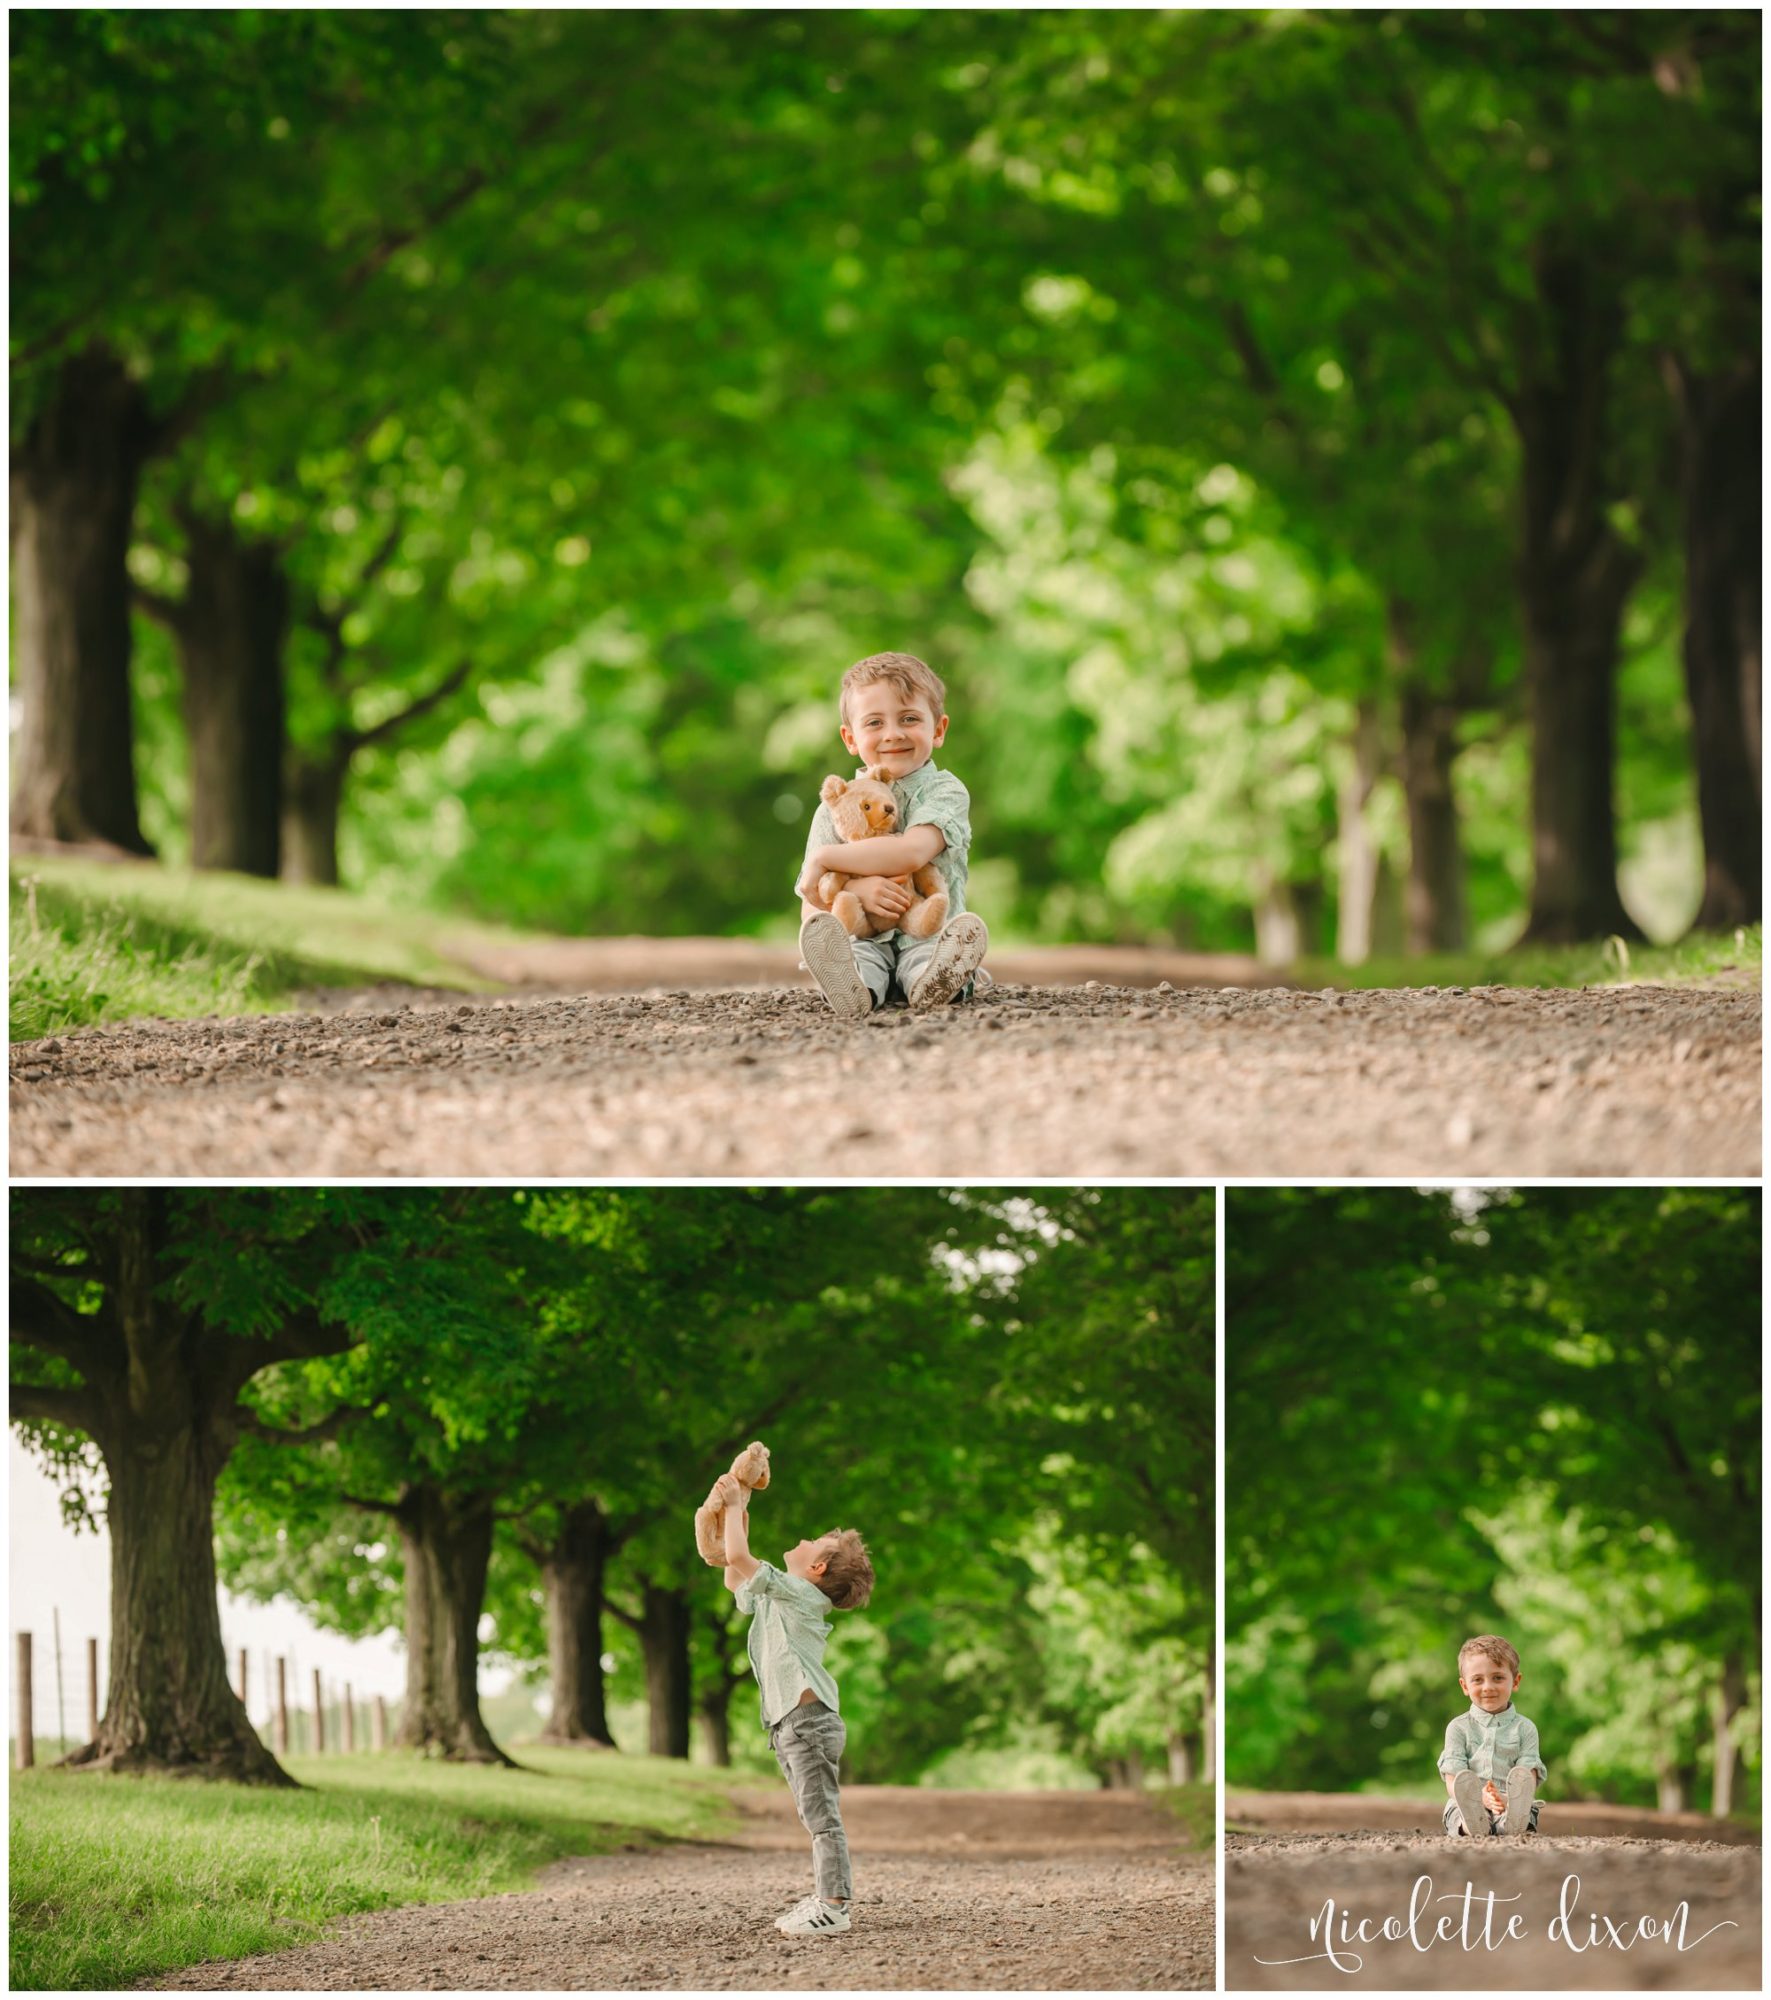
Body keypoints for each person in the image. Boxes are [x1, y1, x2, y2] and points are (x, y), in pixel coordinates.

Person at [713, 1469, 875, 1936]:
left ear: (818, 1569)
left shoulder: (800, 1595)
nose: (803, 1539)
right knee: (812, 1814)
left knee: (822, 1817)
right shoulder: (780, 1593)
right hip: (790, 1723)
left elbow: (741, 1554)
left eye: (814, 1542)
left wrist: (737, 1505)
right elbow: (732, 1574)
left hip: (808, 1722)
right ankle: (826, 1895)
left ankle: (834, 1907)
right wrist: (736, 1504)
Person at [795, 650, 988, 1019]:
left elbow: (912, 853)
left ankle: (934, 982)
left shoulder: (945, 792)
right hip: (863, 935)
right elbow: (811, 899)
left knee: (928, 952)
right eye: (874, 723)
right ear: (850, 738)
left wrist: (825, 860)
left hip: (926, 932)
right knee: (854, 953)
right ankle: (853, 987)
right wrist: (853, 891)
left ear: (938, 729)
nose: (893, 734)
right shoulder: (836, 806)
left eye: (910, 718)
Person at [1438, 1633, 1545, 1837]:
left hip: (1511, 1802)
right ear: (1464, 1686)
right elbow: (1454, 1777)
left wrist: (1509, 1800)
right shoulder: (1457, 1728)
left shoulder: (1525, 1728)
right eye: (1478, 1680)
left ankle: (1511, 1824)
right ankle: (1473, 1824)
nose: (1488, 1687)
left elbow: (1527, 1772)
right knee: (1460, 1813)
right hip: (1468, 1801)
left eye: (1498, 1678)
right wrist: (1479, 1798)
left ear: (1515, 1681)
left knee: (1524, 1812)